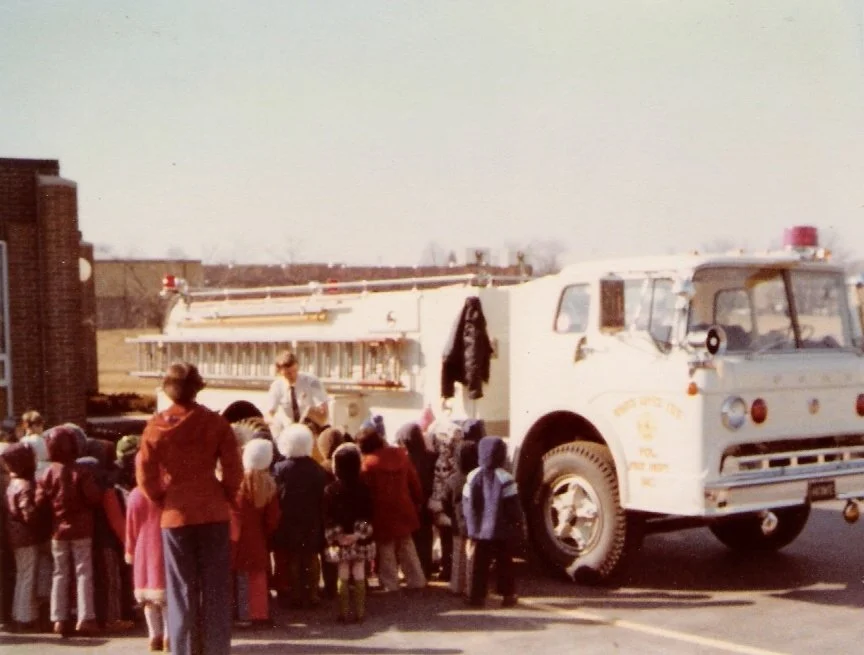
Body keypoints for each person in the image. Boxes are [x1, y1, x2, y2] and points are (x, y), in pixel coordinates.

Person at [137, 361, 243, 655]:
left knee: (181, 591)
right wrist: (226, 494)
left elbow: (144, 476)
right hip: (213, 511)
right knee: (215, 590)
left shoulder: (155, 428)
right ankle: (216, 649)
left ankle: (183, 650)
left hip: (176, 515)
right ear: (197, 388)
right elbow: (234, 469)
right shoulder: (216, 423)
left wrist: (162, 498)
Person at [36, 425, 103, 636]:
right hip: (82, 529)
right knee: (83, 573)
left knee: (59, 574)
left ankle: (58, 618)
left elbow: (39, 502)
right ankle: (85, 617)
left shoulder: (46, 473)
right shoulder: (82, 471)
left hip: (58, 530)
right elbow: (93, 497)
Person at [356, 427, 426, 592]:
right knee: (407, 545)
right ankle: (416, 579)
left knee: (386, 548)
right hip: (404, 506)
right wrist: (418, 499)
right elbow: (414, 481)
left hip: (382, 511)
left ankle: (390, 583)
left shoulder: (368, 464)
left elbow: (366, 491)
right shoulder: (401, 455)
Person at [462, 436, 524, 608]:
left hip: (479, 531)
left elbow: (467, 504)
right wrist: (517, 525)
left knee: (478, 564)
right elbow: (513, 507)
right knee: (504, 562)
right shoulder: (506, 478)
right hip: (500, 530)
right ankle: (508, 595)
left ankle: (476, 597)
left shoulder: (472, 476)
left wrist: (470, 526)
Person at [271, 424, 327, 609]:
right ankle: (312, 594)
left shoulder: (279, 469)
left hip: (289, 519)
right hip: (312, 518)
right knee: (312, 557)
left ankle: (295, 594)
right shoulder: (317, 469)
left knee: (293, 557)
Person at [323, 443, 375, 623]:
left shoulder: (330, 490)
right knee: (359, 572)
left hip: (340, 539)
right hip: (360, 538)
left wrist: (338, 536)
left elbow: (328, 517)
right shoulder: (365, 488)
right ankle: (360, 612)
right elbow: (369, 514)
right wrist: (358, 534)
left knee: (343, 573)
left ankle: (343, 612)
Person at [231, 438, 280, 627]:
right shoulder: (269, 486)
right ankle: (260, 614)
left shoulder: (239, 484)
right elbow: (273, 518)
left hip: (240, 538)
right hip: (259, 538)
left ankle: (243, 615)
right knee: (258, 577)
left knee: (242, 577)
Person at [1, 443, 50, 631]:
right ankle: (25, 615)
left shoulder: (12, 482)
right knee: (28, 575)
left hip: (16, 536)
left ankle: (19, 613)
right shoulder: (25, 484)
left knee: (23, 575)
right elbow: (28, 513)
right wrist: (40, 519)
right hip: (27, 537)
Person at [126, 451, 169, 653]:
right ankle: (169, 635)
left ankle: (154, 636)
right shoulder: (168, 491)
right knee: (167, 598)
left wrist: (129, 550)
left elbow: (130, 528)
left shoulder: (135, 494)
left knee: (149, 600)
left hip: (143, 548)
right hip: (165, 546)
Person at [395, 422, 437, 579]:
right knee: (426, 536)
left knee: (411, 540)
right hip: (428, 502)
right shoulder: (432, 456)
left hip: (411, 503)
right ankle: (426, 568)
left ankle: (412, 572)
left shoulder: (404, 460)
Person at [442, 440, 478, 596]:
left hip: (458, 522)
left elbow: (445, 501)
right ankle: (471, 588)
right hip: (475, 523)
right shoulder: (477, 478)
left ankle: (456, 586)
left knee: (458, 556)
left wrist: (452, 515)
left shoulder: (453, 479)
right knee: (472, 557)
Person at [265, 351, 329, 437]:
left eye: (295, 371)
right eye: (288, 373)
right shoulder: (276, 386)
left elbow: (323, 415)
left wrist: (309, 413)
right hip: (290, 434)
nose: (292, 375)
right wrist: (275, 423)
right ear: (279, 371)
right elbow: (268, 415)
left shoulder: (312, 382)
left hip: (314, 432)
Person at [316, 427, 346, 599]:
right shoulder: (347, 465)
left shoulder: (320, 468)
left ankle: (330, 587)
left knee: (328, 555)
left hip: (326, 519)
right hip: (344, 517)